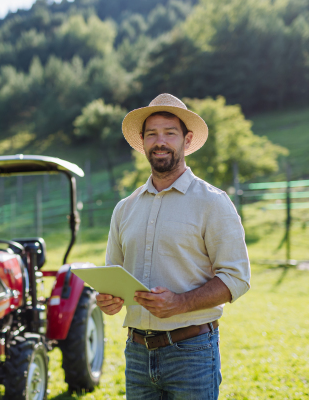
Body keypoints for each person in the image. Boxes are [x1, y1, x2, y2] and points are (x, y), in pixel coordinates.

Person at [97, 93, 251, 399]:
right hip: (137, 353)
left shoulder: (213, 203)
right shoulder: (124, 209)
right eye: (152, 134)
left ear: (187, 140)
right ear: (142, 142)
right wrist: (109, 301)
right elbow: (113, 277)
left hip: (191, 353)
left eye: (170, 133)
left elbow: (237, 279)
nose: (160, 142)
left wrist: (180, 303)